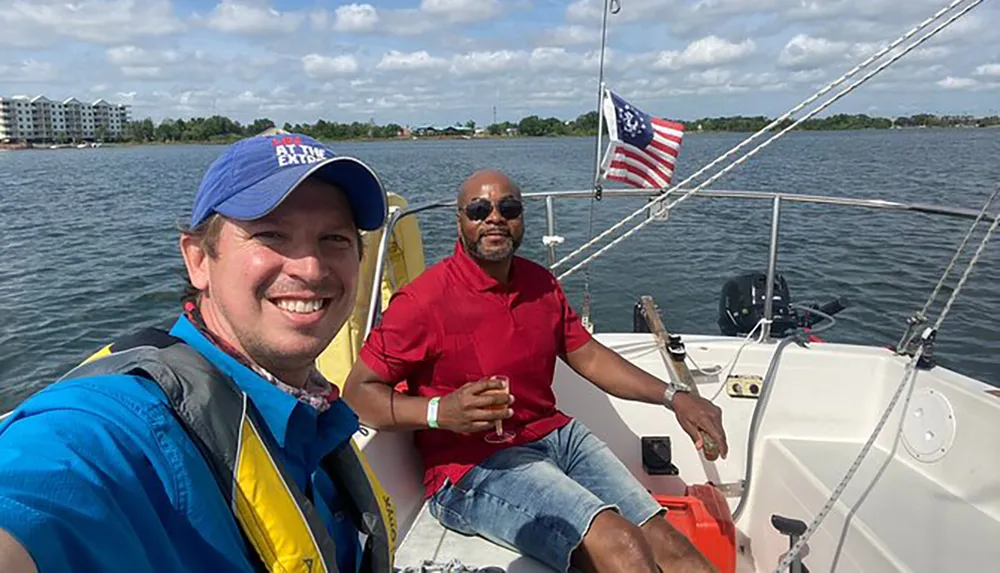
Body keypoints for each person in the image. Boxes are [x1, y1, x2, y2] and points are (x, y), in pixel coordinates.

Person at [0, 133, 397, 573]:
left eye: (335, 239)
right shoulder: (125, 422)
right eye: (270, 235)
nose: (310, 267)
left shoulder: (312, 414)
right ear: (198, 261)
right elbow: (41, 484)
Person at [343, 169, 729, 573]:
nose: (494, 217)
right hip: (471, 466)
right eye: (478, 209)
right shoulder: (423, 301)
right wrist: (441, 412)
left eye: (507, 208)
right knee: (623, 545)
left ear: (522, 218)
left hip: (556, 436)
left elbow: (589, 356)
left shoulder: (540, 283)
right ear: (460, 221)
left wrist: (675, 397)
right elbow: (357, 393)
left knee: (672, 546)